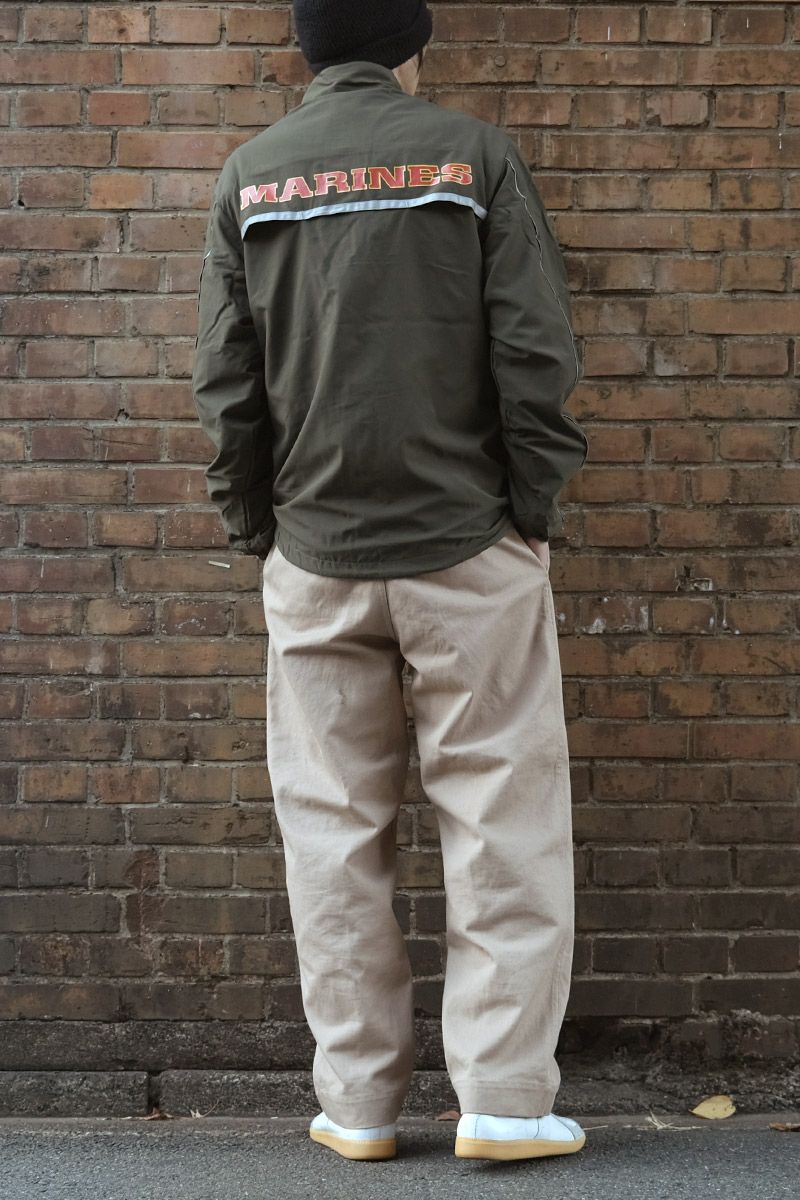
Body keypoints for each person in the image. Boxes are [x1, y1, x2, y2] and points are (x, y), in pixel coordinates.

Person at [192, 0, 589, 1165]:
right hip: (467, 547)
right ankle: (504, 1101)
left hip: (314, 552)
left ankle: (358, 1107)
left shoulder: (250, 178)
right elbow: (533, 352)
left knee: (331, 835)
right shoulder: (472, 157)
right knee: (502, 820)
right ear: (407, 43)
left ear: (308, 50)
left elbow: (225, 382)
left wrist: (256, 528)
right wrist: (531, 511)